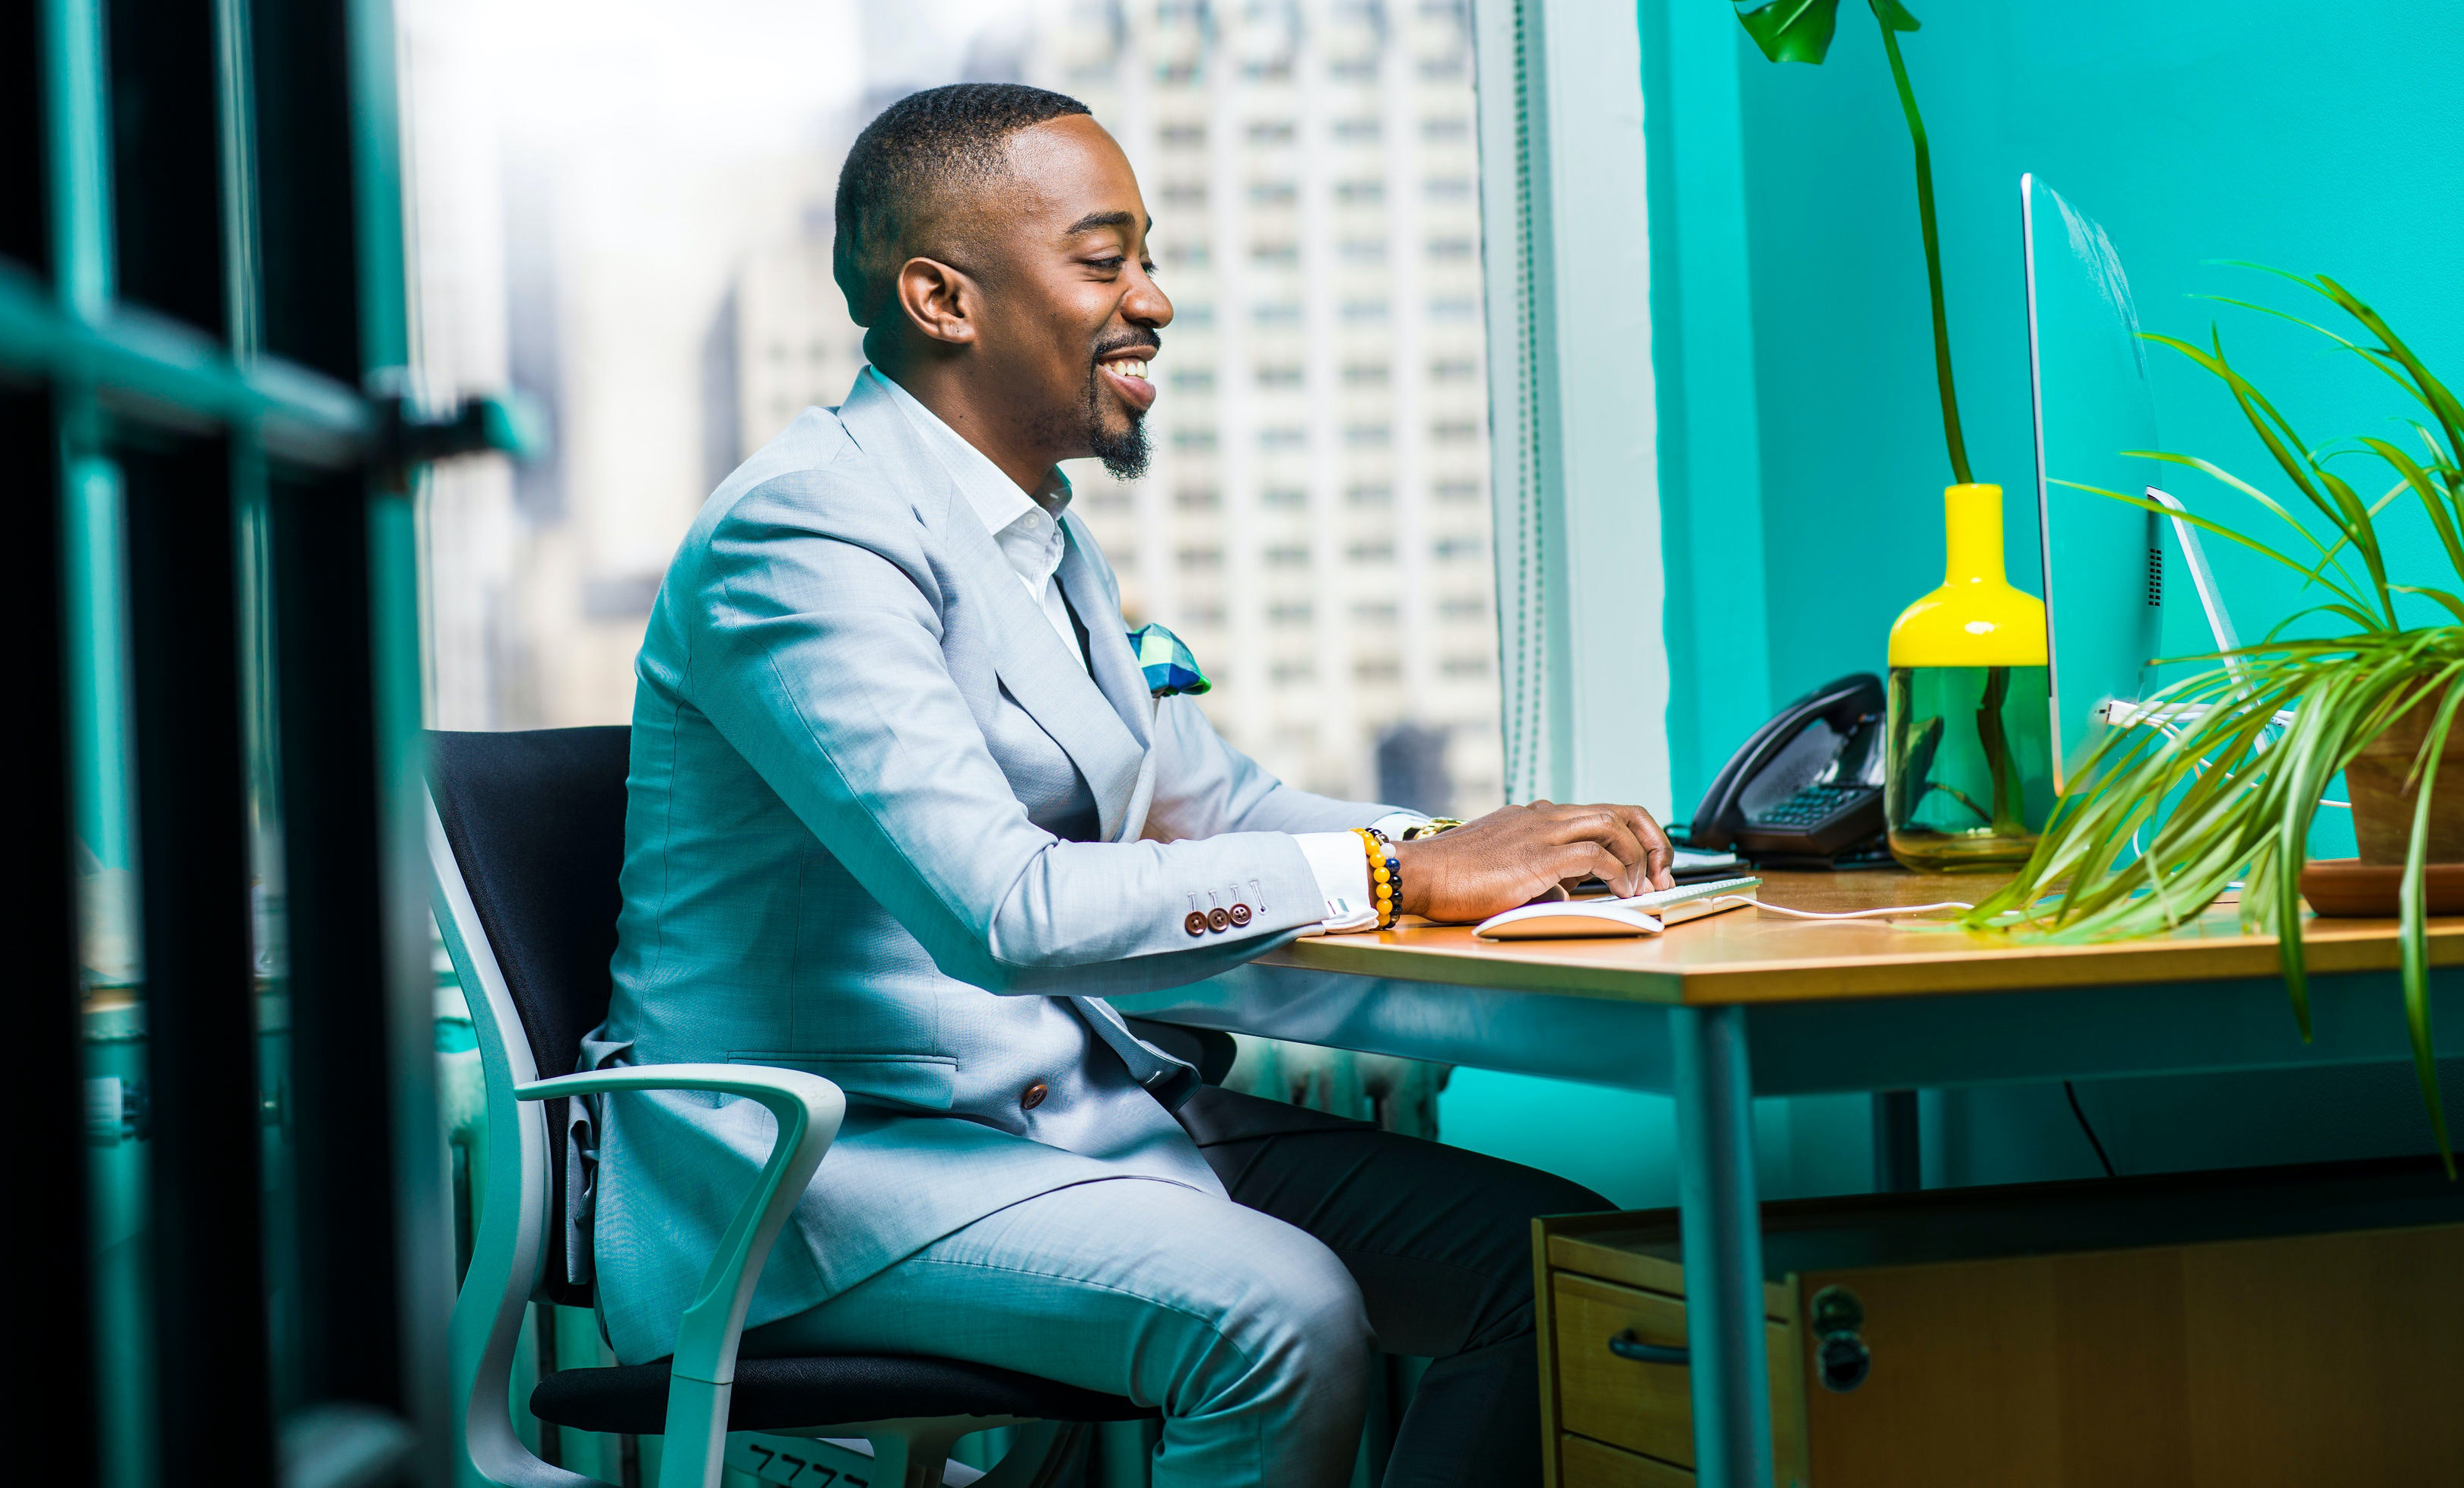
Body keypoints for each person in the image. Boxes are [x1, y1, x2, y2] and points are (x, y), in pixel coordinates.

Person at [581, 82, 1678, 1488]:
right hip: (830, 1181)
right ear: (942, 297)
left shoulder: (1030, 529)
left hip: (1065, 1122)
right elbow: (1006, 912)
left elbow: (1206, 809)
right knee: (1277, 1317)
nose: (1153, 299)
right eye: (1106, 261)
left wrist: (1481, 847)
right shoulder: (802, 535)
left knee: (1548, 1272)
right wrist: (1402, 879)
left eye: (1147, 258)